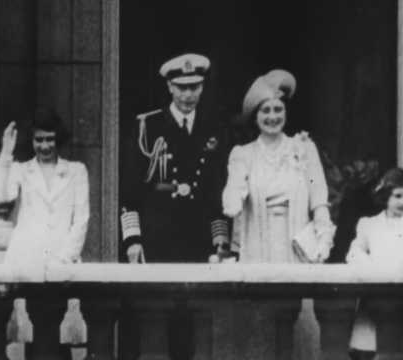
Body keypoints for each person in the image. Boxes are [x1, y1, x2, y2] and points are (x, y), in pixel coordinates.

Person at [120, 53, 230, 263]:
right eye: (181, 88)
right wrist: (133, 239)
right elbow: (131, 190)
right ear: (170, 86)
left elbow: (217, 189)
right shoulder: (148, 128)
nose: (188, 95)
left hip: (200, 236)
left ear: (202, 86)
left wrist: (221, 240)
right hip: (157, 235)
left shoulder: (214, 129)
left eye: (194, 87)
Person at [222, 69, 335, 263]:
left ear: (286, 112)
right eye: (265, 111)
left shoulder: (305, 149)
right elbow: (232, 199)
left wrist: (324, 239)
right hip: (257, 248)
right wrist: (235, 193)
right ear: (256, 117)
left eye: (278, 109)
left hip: (297, 248)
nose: (272, 117)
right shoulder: (243, 154)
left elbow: (319, 201)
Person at [0, 106, 90, 265]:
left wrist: (63, 258)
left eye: (49, 139)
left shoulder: (77, 171)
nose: (44, 146)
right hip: (25, 260)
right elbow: (2, 196)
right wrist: (6, 154)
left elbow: (81, 220)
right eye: (39, 140)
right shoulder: (22, 170)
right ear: (32, 139)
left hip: (62, 262)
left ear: (57, 138)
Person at [346, 168, 403, 360]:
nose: (402, 202)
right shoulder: (369, 225)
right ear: (385, 196)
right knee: (372, 351)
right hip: (375, 298)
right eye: (398, 196)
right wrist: (372, 265)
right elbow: (353, 254)